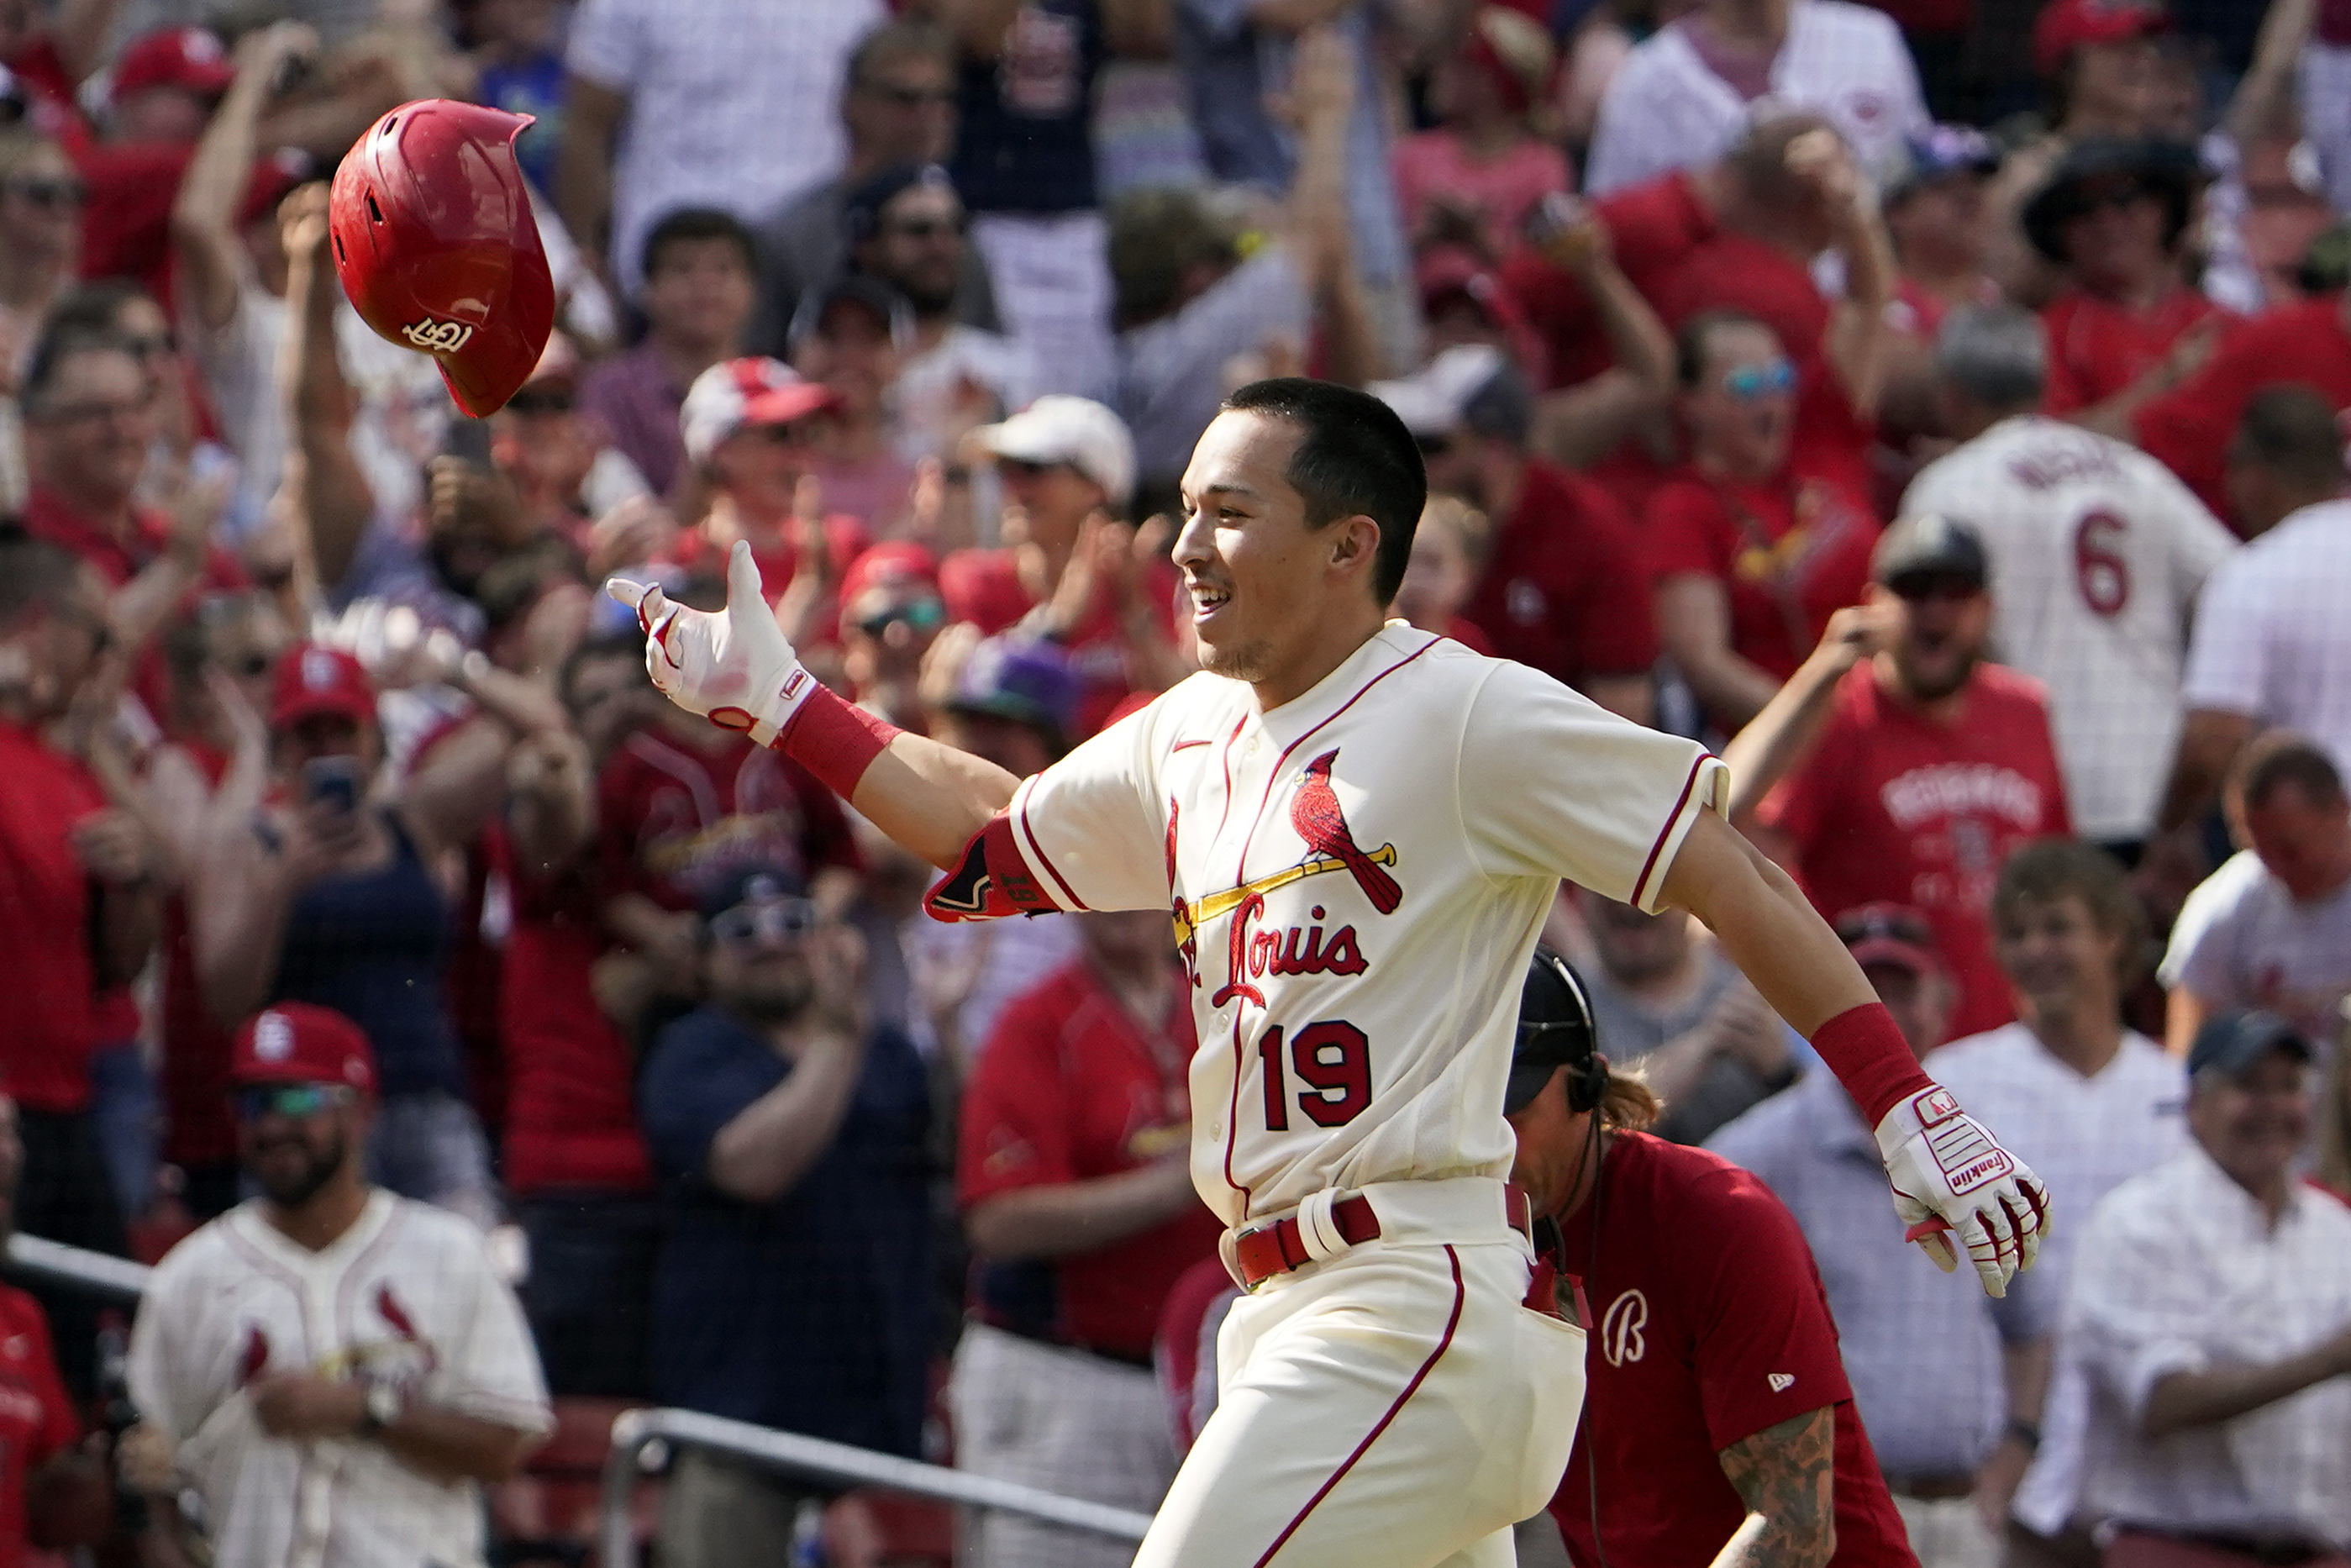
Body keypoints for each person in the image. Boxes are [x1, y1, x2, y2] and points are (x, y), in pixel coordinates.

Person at [607, 373, 2049, 1566]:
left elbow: (1720, 861)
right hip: (1286, 1310)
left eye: (1229, 513)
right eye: (1181, 511)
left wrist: (1899, 1100)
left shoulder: (1465, 710)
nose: (1182, 547)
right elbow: (986, 823)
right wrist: (782, 703)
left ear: (1350, 545)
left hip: (1413, 1296)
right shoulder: (1188, 733)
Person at [1503, 947, 1916, 1568]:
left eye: (1512, 1111)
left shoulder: (1714, 1215)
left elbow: (1794, 1526)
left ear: (1589, 1083)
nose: (1486, 1144)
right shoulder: (1455, 1238)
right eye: (1461, 1118)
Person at [119, 1002, 553, 1568]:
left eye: (300, 1099)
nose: (273, 1125)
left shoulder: (448, 1254)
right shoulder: (189, 1278)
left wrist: (364, 1408)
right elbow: (149, 1479)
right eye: (255, 1104)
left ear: (362, 1111)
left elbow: (506, 1446)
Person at [190, 642, 560, 1228]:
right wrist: (283, 885)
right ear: (281, 749)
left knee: (459, 1283)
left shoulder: (414, 819)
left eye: (342, 731)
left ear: (372, 740)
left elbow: (543, 726)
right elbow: (225, 999)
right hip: (306, 1109)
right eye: (308, 735)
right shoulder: (249, 844)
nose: (327, 750)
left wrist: (451, 671)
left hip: (425, 1098)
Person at [635, 865, 931, 1565]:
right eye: (741, 931)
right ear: (703, 960)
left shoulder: (887, 1051)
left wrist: (942, 1027)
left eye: (793, 921)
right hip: (739, 1434)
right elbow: (756, 1168)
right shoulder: (690, 1052)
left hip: (876, 1440)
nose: (771, 941)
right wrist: (836, 1037)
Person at [1713, 906, 2019, 1568]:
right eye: (1861, 996)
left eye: (1901, 993)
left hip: (1965, 1517)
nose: (1882, 1019)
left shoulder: (1976, 1148)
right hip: (1830, 1521)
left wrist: (2015, 1453)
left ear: (1943, 1008)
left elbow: (2033, 1317)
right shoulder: (1757, 1154)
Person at [1921, 841, 2191, 1562]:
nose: (2036, 950)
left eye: (2057, 928)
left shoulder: (2180, 1093)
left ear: (2110, 935)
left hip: (2150, 1453)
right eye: (2016, 933)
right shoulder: (1955, 1086)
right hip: (2003, 1452)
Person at [1899, 304, 2237, 855]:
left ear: (1951, 395)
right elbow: (2233, 586)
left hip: (2027, 784)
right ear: (2043, 383)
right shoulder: (2134, 471)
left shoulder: (1950, 487)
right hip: (2155, 777)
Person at [1729, 513, 2074, 1039]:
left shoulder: (2026, 710)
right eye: (1914, 591)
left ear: (1986, 609)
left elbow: (2057, 872)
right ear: (1873, 604)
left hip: (2009, 1037)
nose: (1935, 611)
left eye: (1955, 593)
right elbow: (1740, 820)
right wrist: (1822, 671)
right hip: (1885, 1036)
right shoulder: (1839, 713)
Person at [951, 909, 1224, 1566]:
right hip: (1068, 1378)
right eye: (1096, 884)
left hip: (1204, 1377)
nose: (1118, 901)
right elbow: (998, 1220)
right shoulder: (1039, 1021)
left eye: (1134, 879)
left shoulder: (1215, 1011)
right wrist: (1178, 1184)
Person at [2062, 1009, 2351, 1567]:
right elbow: (2160, 1400)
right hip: (2177, 1548)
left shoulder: (2334, 1231)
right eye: (2248, 1086)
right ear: (2195, 1106)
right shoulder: (2139, 1223)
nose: (2272, 1107)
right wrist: (2328, 1361)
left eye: (2288, 1087)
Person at [0, 537, 150, 1392]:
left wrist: (129, 885)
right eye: (97, 637)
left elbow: (115, 971)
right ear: (37, 627)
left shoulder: (67, 770)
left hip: (66, 1105)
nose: (108, 662)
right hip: (11, 1102)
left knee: (97, 1360)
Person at [497, 633, 661, 1398]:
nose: (621, 714)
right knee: (578, 1438)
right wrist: (557, 773)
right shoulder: (548, 813)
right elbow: (557, 828)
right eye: (596, 701)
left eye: (636, 694)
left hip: (693, 1176)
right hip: (576, 1183)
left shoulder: (694, 829)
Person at [1371, 345, 1659, 724]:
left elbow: (1621, 718)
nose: (1413, 463)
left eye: (1431, 446)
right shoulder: (1384, 522)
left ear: (1495, 451)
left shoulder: (1588, 532)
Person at [1648, 309, 1883, 731]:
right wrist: (1823, 728)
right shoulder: (1684, 508)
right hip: (1792, 737)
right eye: (1747, 384)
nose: (1770, 400)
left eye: (1780, 379)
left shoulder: (1820, 453)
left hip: (1887, 709)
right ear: (1692, 406)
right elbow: (1705, 663)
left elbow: (1869, 306)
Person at [557, 0, 884, 297]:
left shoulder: (854, 8)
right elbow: (588, 127)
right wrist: (589, 260)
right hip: (667, 264)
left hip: (809, 267)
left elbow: (882, 120)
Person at [751, 19, 994, 356]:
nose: (930, 114)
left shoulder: (952, 230)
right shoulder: (794, 236)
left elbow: (989, 355)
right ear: (851, 103)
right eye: (906, 98)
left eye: (944, 98)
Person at [941, 394, 1173, 739]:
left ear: (1095, 488)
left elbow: (1184, 708)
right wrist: (1057, 624)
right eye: (1005, 470)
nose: (1013, 487)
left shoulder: (1146, 582)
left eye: (1032, 469)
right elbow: (968, 718)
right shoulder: (975, 580)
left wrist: (1133, 607)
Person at [2164, 435, 2351, 834]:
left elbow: (2213, 741)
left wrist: (2171, 830)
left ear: (2255, 478)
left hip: (2306, 837)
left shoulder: (2253, 575)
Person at [1583, 0, 1928, 198]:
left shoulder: (1871, 40)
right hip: (1715, 306)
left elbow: (1917, 186)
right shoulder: (1648, 76)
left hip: (1862, 297)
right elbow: (1615, 216)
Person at [2159, 734, 2351, 1054]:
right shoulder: (2225, 904)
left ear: (2340, 810)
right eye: (2257, 850)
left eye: (2288, 849)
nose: (2272, 869)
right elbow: (2189, 1053)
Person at [1570, 885, 1796, 1146]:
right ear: (1580, 896)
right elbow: (1581, 1139)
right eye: (1608, 886)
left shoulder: (1750, 994)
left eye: (1651, 891)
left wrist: (1782, 1074)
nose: (1629, 900)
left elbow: (1822, 1125)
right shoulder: (1564, 1005)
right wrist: (1705, 1043)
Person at [2021, 137, 2217, 435]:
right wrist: (2166, 382)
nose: (2105, 221)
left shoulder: (2219, 323)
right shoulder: (2048, 336)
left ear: (2161, 211)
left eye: (2124, 199)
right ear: (2061, 233)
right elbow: (2049, 445)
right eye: (2081, 209)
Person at [577, 208, 760, 502]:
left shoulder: (772, 384)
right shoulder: (610, 389)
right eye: (683, 269)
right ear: (647, 291)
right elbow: (611, 504)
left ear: (752, 291)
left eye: (723, 269)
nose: (705, 284)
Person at [1390, 8, 1570, 266]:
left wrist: (1478, 238)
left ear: (1491, 81)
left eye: (1458, 62)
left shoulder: (1544, 167)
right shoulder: (1410, 155)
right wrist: (1428, 235)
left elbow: (1545, 273)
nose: (1440, 69)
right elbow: (1376, 261)